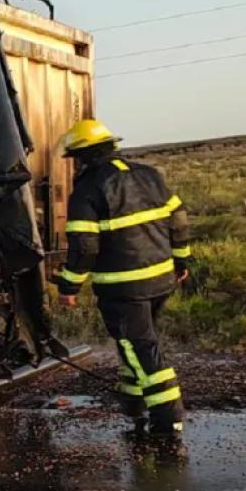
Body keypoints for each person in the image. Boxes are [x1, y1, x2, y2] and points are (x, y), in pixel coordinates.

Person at [54, 119, 190, 438]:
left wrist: (69, 285)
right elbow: (179, 220)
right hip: (161, 279)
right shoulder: (150, 174)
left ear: (82, 156)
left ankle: (168, 418)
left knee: (139, 345)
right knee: (136, 341)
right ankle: (133, 402)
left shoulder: (88, 189)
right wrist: (181, 258)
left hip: (123, 286)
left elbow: (85, 247)